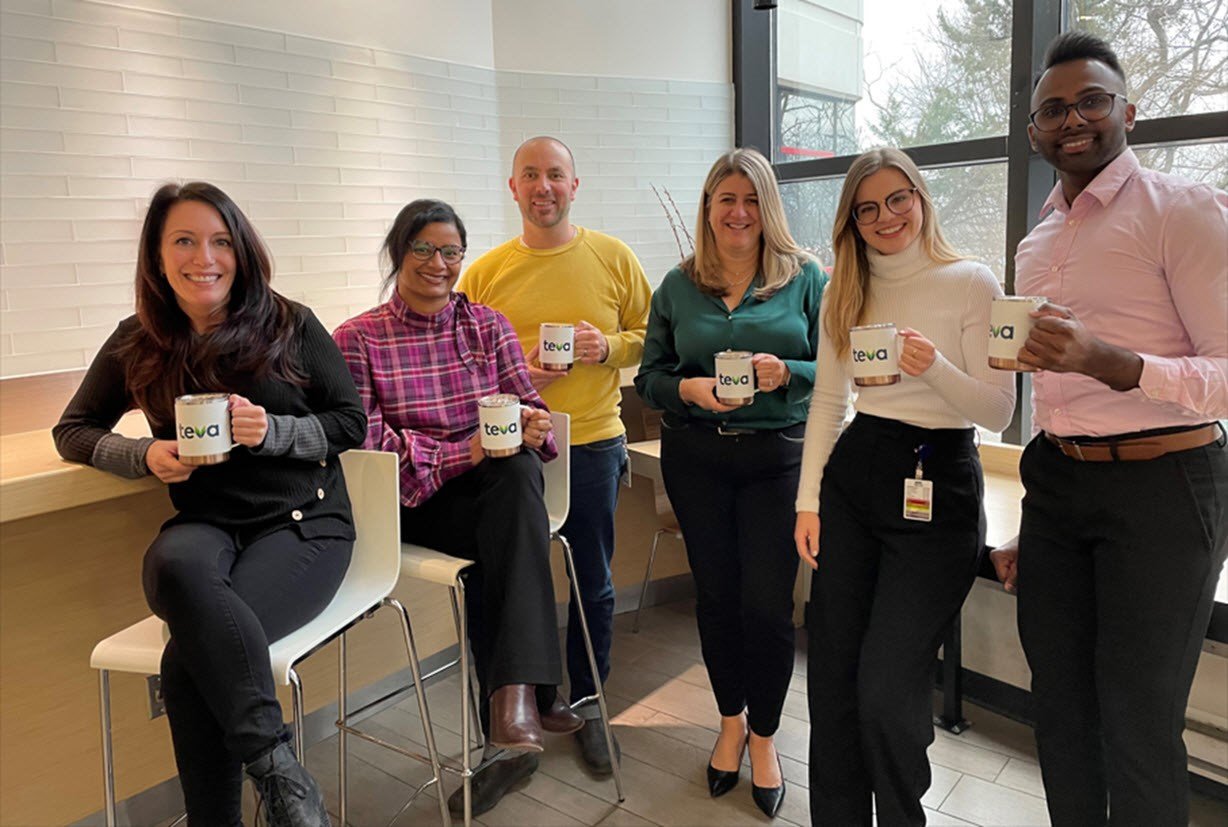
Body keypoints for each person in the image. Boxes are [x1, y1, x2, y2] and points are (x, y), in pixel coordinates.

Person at [54, 182, 367, 827]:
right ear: (158, 257)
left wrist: (272, 431)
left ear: (242, 251)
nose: (206, 257)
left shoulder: (290, 323)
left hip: (303, 522)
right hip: (207, 522)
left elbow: (349, 424)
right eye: (185, 241)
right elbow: (74, 428)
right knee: (172, 564)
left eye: (221, 241)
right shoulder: (137, 340)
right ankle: (278, 770)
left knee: (189, 654)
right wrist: (143, 455)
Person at [988, 32, 1228, 827]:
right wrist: (1039, 517)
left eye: (1092, 100)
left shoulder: (1184, 210)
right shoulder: (1037, 243)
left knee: (1138, 719)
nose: (1074, 119)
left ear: (1129, 109)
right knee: (1057, 708)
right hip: (1059, 484)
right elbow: (1057, 401)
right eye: (1053, 109)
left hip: (1165, 486)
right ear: (1033, 133)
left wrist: (1119, 363)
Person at [332, 199, 580, 818]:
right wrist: (462, 452)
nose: (438, 264)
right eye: (423, 249)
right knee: (512, 516)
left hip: (494, 495)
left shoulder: (486, 325)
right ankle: (533, 689)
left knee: (518, 475)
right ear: (398, 253)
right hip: (415, 504)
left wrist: (532, 423)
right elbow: (370, 446)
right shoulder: (357, 338)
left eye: (451, 252)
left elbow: (532, 413)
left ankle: (511, 698)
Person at [794, 148, 1015, 826]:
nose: (885, 216)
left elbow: (999, 411)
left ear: (921, 198)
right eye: (868, 208)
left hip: (938, 480)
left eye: (897, 199)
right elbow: (830, 401)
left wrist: (936, 365)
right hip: (857, 473)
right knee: (832, 677)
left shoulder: (972, 281)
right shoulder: (846, 288)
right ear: (853, 222)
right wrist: (807, 501)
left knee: (887, 691)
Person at [635, 147, 826, 818]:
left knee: (768, 607)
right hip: (698, 458)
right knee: (715, 599)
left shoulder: (806, 278)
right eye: (726, 199)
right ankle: (729, 720)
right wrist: (684, 387)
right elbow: (649, 373)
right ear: (709, 209)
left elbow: (836, 366)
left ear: (766, 207)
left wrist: (790, 373)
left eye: (750, 199)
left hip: (779, 460)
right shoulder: (678, 284)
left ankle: (767, 736)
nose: (738, 211)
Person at [460, 135, 651, 774]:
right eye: (531, 175)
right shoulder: (483, 273)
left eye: (557, 175)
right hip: (509, 450)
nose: (544, 186)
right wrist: (518, 381)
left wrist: (610, 349)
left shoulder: (614, 258)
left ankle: (590, 705)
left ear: (576, 186)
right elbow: (462, 365)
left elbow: (654, 339)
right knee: (506, 580)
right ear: (512, 188)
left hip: (593, 440)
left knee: (591, 579)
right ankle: (514, 714)